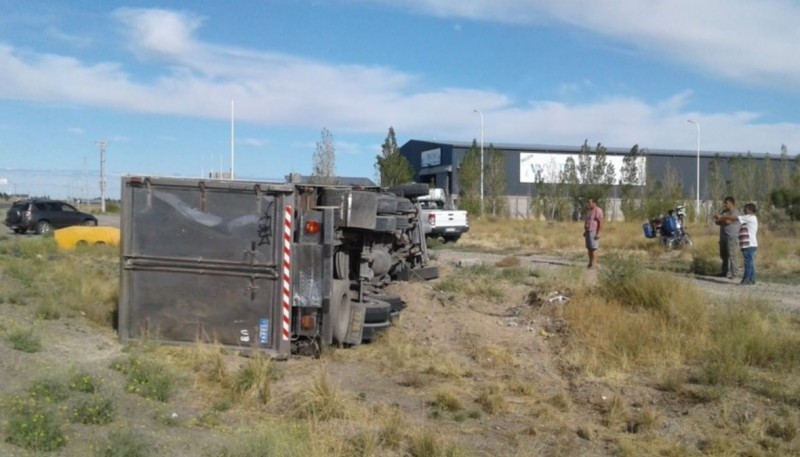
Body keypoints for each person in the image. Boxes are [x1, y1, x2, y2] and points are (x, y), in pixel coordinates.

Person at [717, 203, 759, 285]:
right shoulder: (750, 218)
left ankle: (746, 279)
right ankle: (752, 279)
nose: (743, 210)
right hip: (747, 244)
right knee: (750, 262)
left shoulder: (750, 217)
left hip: (749, 244)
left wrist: (722, 217)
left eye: (745, 209)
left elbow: (735, 218)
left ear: (749, 210)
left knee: (748, 262)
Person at [713, 196, 740, 280]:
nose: (724, 204)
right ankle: (725, 272)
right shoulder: (724, 212)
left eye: (726, 203)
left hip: (731, 237)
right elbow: (717, 221)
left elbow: (728, 221)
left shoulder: (735, 212)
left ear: (731, 203)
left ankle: (734, 273)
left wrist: (721, 218)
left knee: (732, 255)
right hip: (723, 237)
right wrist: (722, 219)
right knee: (723, 255)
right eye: (724, 203)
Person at [583, 197, 603, 269]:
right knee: (589, 248)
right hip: (588, 231)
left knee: (594, 248)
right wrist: (585, 231)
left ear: (594, 203)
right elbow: (587, 221)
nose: (588, 204)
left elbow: (600, 222)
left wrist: (598, 233)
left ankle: (595, 264)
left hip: (594, 231)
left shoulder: (598, 210)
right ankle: (590, 263)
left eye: (590, 203)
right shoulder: (589, 211)